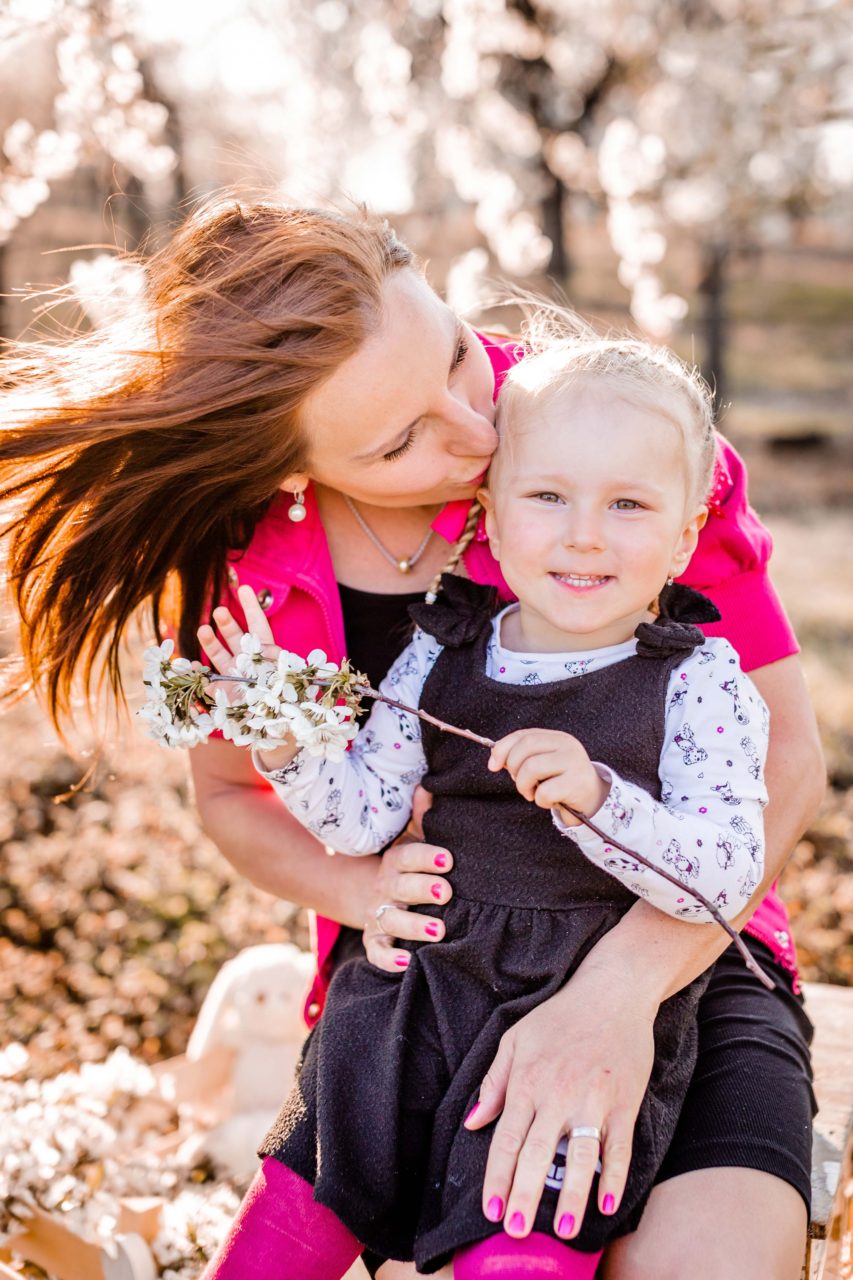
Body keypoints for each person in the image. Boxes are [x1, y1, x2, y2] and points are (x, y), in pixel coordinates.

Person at [0, 196, 822, 1279]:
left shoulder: (612, 435)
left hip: (690, 949)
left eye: (449, 355)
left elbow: (785, 761)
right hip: (432, 986)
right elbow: (235, 795)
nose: (477, 432)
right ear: (289, 471)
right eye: (399, 440)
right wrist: (363, 895)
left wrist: (615, 996)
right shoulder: (238, 572)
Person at [196, 323, 772, 1277]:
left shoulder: (699, 680)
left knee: (515, 1250)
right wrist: (288, 745)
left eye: (627, 504)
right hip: (410, 995)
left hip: (571, 999)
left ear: (681, 538)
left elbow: (723, 872)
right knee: (283, 1235)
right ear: (491, 522)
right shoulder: (442, 648)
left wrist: (600, 800)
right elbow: (365, 820)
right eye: (546, 496)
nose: (583, 532)